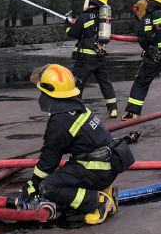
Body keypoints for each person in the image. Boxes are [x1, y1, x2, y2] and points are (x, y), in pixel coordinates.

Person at [12, 64, 137, 224]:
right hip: (107, 165)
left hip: (98, 170)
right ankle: (105, 192)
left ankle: (97, 202)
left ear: (49, 93)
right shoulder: (77, 107)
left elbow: (49, 160)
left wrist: (33, 184)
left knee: (49, 187)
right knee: (67, 173)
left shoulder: (60, 121)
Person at [65, 0, 118, 118]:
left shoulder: (84, 16)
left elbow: (73, 33)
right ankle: (113, 109)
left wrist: (67, 25)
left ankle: (74, 110)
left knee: (76, 84)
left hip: (85, 59)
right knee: (105, 83)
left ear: (91, 0)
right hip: (100, 56)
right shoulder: (103, 17)